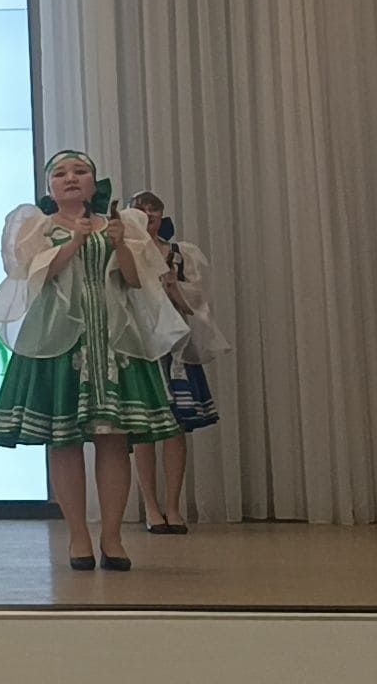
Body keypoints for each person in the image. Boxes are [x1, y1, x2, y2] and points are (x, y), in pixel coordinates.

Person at [0, 151, 187, 572]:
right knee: (64, 440)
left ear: (94, 183)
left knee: (114, 440)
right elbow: (36, 277)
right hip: (59, 341)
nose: (71, 178)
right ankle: (77, 535)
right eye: (60, 174)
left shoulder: (121, 224)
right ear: (50, 187)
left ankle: (112, 536)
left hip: (113, 340)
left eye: (80, 172)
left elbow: (135, 281)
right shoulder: (37, 226)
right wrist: (74, 239)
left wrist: (119, 244)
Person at [127, 190, 230, 535]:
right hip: (141, 348)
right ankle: (150, 507)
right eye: (141, 210)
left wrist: (173, 288)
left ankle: (173, 505)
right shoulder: (125, 253)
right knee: (144, 428)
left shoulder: (180, 254)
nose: (148, 216)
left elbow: (196, 305)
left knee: (175, 427)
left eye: (153, 210)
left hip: (175, 350)